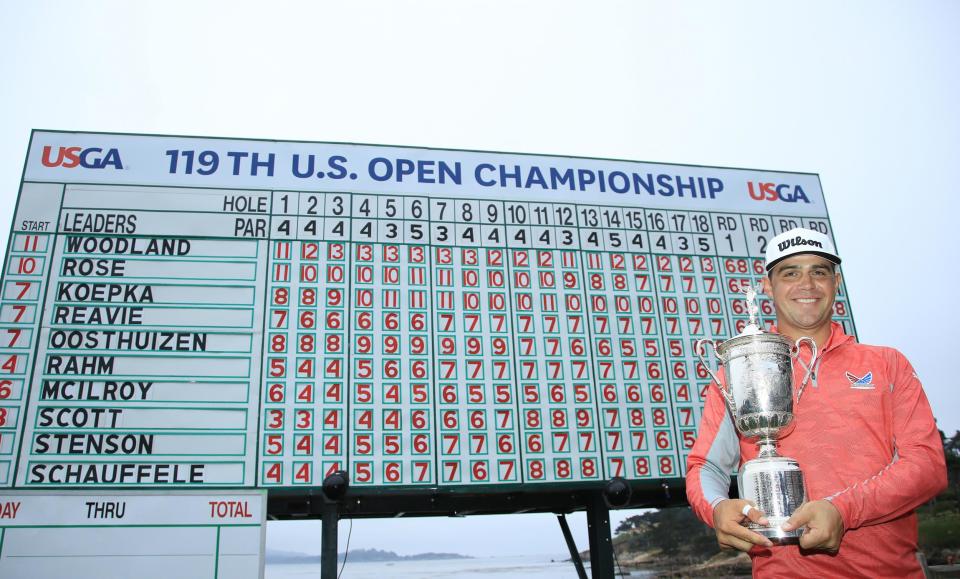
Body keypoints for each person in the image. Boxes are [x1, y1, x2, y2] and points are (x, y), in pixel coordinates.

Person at [685, 227, 947, 577]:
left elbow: (927, 465)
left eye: (818, 272)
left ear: (836, 282)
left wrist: (842, 510)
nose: (806, 284)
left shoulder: (887, 364)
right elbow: (707, 468)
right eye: (790, 272)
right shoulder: (738, 373)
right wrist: (717, 508)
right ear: (768, 285)